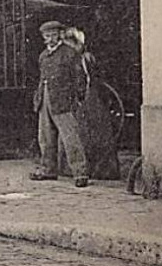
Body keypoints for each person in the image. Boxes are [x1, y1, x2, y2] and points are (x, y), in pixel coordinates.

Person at [30, 20, 90, 187]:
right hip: (45, 99)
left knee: (71, 138)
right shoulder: (43, 56)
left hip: (64, 100)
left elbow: (80, 78)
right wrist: (38, 98)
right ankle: (49, 169)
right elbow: (42, 79)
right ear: (43, 37)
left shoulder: (70, 53)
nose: (50, 39)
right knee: (46, 138)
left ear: (59, 35)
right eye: (47, 36)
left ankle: (80, 173)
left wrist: (78, 98)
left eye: (54, 35)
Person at [62, 26, 121, 181]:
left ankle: (99, 169)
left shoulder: (85, 59)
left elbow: (88, 79)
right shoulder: (75, 59)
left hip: (90, 100)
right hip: (82, 100)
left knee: (94, 133)